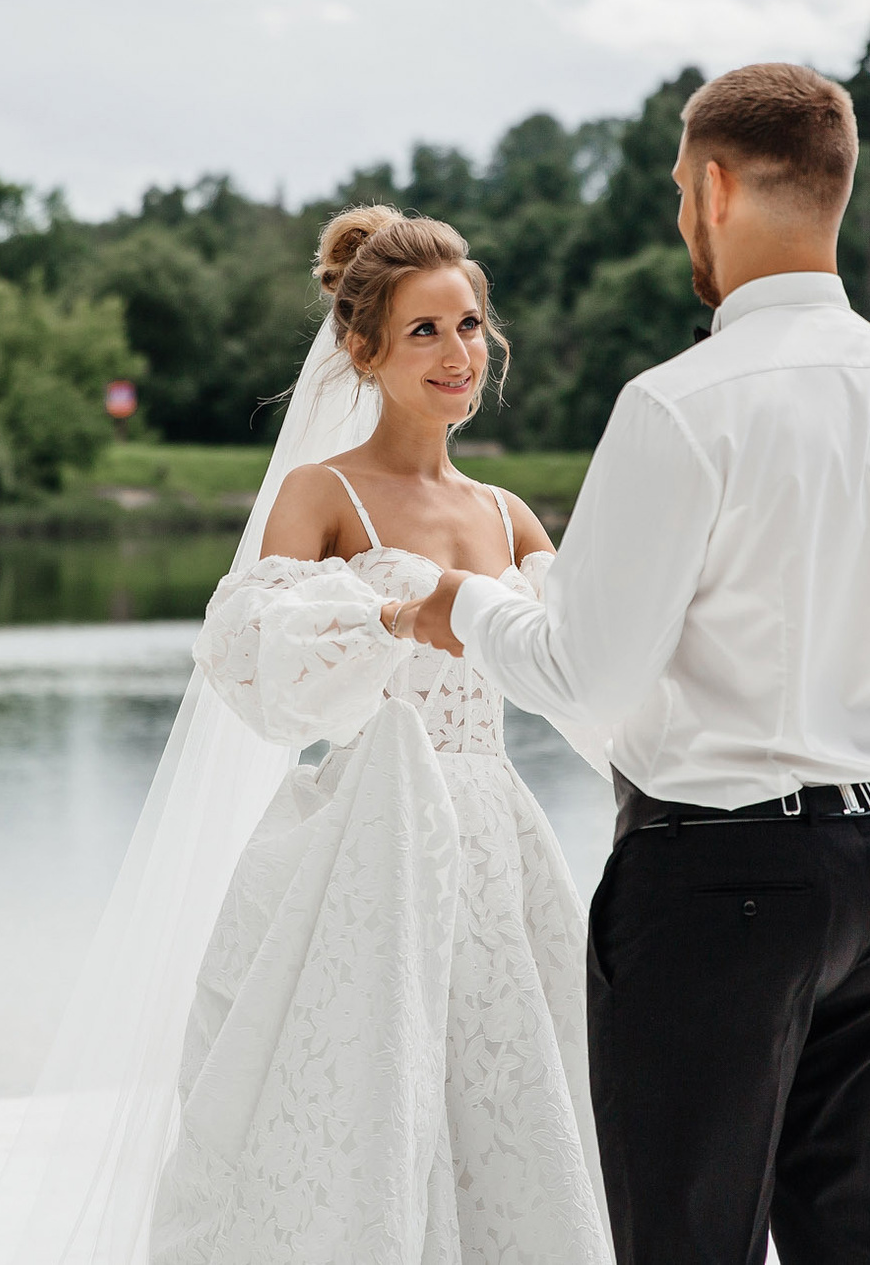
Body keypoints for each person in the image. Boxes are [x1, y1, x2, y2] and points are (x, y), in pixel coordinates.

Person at [413, 61, 870, 1265]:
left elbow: (586, 679)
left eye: (683, 188)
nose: (681, 213)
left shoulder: (677, 407)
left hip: (715, 885)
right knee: (863, 1247)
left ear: (719, 187)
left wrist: (461, 602)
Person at [150, 206, 609, 1263]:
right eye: (425, 331)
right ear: (362, 348)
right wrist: (391, 613)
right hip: (369, 830)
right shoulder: (326, 492)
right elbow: (250, 653)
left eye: (472, 325)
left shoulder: (507, 513)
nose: (460, 355)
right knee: (364, 1103)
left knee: (510, 1096)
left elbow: (590, 679)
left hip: (493, 837)